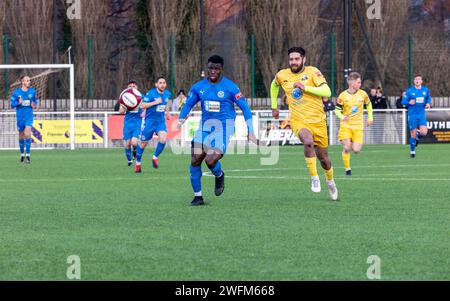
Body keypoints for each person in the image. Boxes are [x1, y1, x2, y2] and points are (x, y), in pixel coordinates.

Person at [177, 55, 258, 206]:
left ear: (221, 70)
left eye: (216, 69)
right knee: (195, 159)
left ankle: (219, 174)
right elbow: (188, 104)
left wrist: (251, 131)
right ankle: (198, 197)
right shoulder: (199, 87)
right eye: (211, 68)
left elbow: (245, 108)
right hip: (205, 128)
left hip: (224, 129)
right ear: (207, 69)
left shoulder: (231, 87)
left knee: (210, 159)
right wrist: (181, 119)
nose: (213, 71)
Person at [270, 47, 338, 201]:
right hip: (298, 120)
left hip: (318, 121)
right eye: (291, 59)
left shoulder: (313, 72)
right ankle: (314, 177)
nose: (293, 62)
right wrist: (274, 106)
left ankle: (330, 181)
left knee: (325, 159)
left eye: (297, 59)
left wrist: (305, 87)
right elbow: (274, 86)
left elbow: (327, 92)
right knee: (308, 142)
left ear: (303, 59)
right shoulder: (282, 75)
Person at [334, 72, 373, 176]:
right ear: (351, 83)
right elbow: (337, 110)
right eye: (358, 82)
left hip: (358, 126)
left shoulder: (363, 94)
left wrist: (370, 118)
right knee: (347, 148)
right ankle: (347, 169)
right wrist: (343, 117)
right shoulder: (342, 96)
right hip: (346, 126)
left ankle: (349, 142)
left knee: (356, 150)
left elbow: (369, 105)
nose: (360, 84)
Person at [135, 76, 171, 172]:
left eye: (164, 83)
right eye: (160, 83)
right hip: (150, 122)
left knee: (163, 139)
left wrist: (167, 113)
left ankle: (155, 157)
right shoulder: (151, 94)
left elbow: (166, 103)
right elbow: (142, 105)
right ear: (156, 84)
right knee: (143, 144)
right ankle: (138, 163)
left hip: (160, 122)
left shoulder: (167, 93)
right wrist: (155, 102)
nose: (162, 84)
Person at [401, 74, 431, 158]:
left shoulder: (425, 90)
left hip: (421, 115)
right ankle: (412, 152)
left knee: (424, 132)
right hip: (412, 115)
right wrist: (408, 102)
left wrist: (428, 104)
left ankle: (418, 137)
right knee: (413, 134)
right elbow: (403, 101)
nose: (417, 81)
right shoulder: (409, 91)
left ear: (421, 81)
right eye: (416, 79)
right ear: (414, 81)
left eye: (419, 79)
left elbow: (428, 98)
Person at [10, 75, 38, 163]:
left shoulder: (32, 92)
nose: (29, 81)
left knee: (27, 133)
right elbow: (12, 105)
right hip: (20, 117)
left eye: (29, 80)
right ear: (22, 82)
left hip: (29, 116)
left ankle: (28, 156)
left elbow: (35, 102)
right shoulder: (16, 93)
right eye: (27, 80)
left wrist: (34, 105)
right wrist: (18, 103)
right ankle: (22, 155)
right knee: (21, 135)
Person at [116, 80, 143, 166]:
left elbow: (146, 107)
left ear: (137, 88)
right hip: (128, 122)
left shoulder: (141, 97)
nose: (132, 87)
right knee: (127, 143)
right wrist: (126, 106)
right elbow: (121, 112)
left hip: (137, 122)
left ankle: (135, 151)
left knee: (134, 142)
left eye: (134, 86)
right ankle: (129, 160)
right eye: (130, 86)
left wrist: (144, 112)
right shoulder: (125, 98)